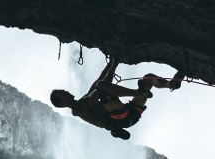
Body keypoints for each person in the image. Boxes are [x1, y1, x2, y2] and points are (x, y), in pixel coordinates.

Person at [50, 58, 182, 140]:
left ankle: (171, 84)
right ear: (62, 103)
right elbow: (100, 87)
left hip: (130, 113)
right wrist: (113, 66)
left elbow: (100, 81)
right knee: (101, 86)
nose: (66, 91)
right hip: (119, 119)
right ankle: (139, 92)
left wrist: (113, 64)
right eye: (63, 93)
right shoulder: (77, 110)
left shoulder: (83, 100)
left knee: (148, 79)